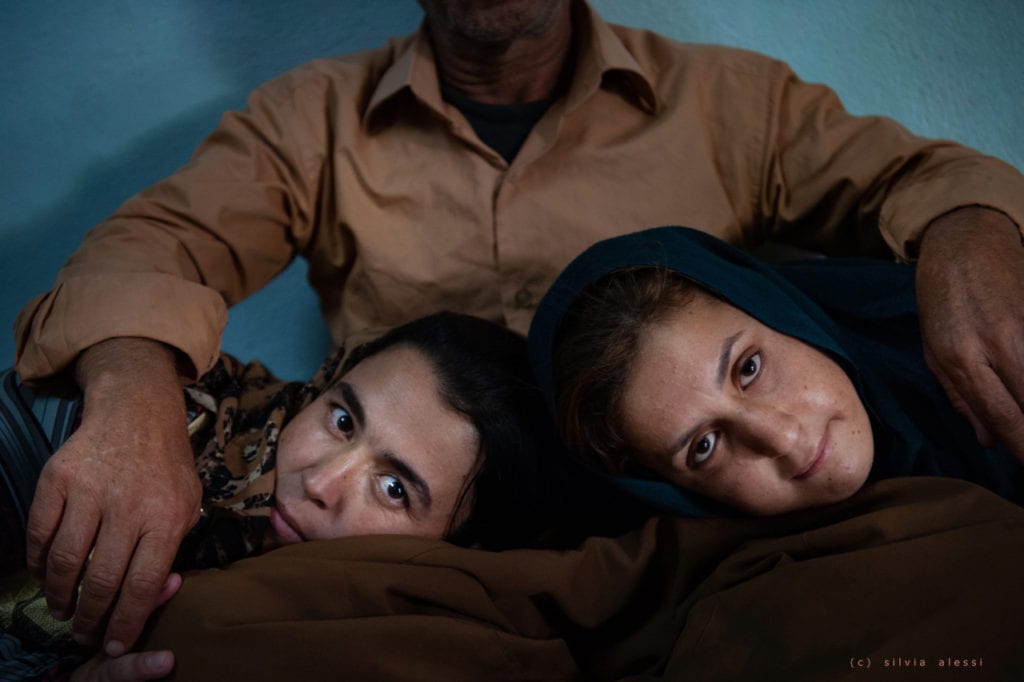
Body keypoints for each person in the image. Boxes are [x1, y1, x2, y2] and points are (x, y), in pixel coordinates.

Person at [11, 0, 1024, 658]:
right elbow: (153, 242)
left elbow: (922, 177)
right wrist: (133, 405)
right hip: (434, 556)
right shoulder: (310, 119)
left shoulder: (729, 102)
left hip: (694, 532)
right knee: (211, 632)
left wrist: (969, 235)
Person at [2, 312, 572, 679]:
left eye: (394, 488)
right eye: (342, 420)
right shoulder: (132, 429)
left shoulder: (388, 635)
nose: (321, 483)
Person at [530, 226, 1024, 518]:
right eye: (704, 446)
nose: (782, 438)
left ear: (783, 313)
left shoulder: (996, 332)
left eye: (749, 368)